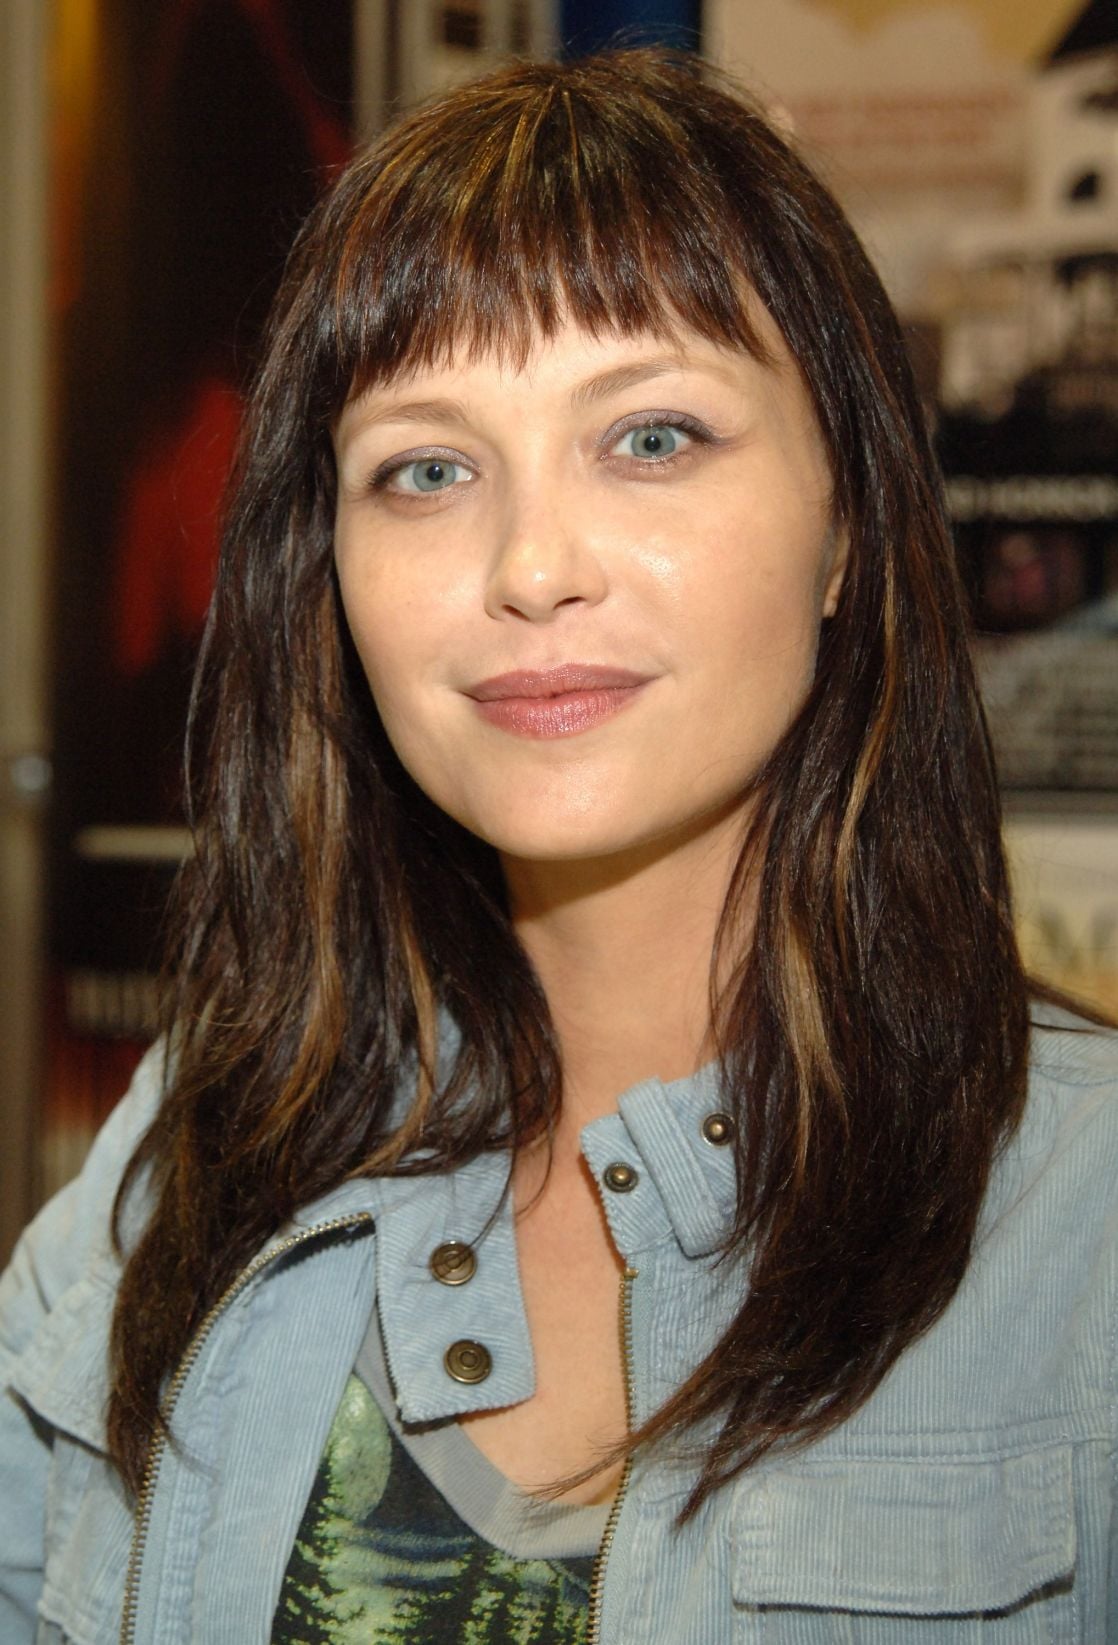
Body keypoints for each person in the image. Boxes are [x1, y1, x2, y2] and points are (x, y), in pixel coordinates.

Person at [2, 47, 1116, 1645]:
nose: (529, 564)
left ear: (847, 527)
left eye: (649, 436)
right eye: (426, 468)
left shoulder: (1082, 1229)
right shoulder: (201, 1140)